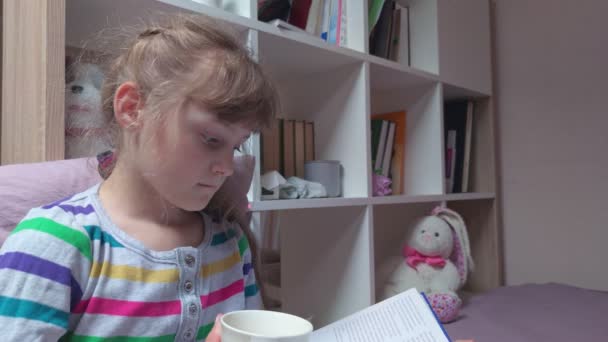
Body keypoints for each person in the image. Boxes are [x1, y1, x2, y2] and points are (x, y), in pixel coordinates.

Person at [0, 13, 278, 341]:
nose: (227, 167)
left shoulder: (231, 243)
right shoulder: (53, 245)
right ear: (132, 109)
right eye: (211, 139)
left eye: (236, 145)